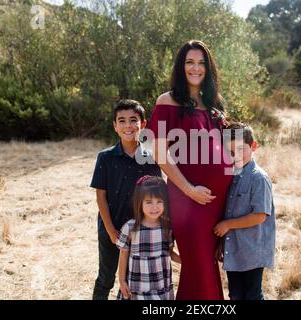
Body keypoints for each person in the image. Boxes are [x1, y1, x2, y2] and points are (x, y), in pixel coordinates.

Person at [147, 39, 233, 300]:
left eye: (201, 63)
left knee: (208, 267)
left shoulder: (214, 103)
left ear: (208, 68)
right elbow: (158, 152)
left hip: (218, 205)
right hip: (189, 201)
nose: (195, 68)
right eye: (189, 62)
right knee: (199, 268)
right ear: (180, 67)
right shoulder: (168, 101)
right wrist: (188, 189)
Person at [90, 99, 161, 300]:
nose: (128, 125)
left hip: (140, 232)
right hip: (110, 228)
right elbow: (100, 196)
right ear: (115, 126)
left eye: (133, 120)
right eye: (121, 121)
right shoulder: (105, 157)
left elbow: (157, 194)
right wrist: (112, 231)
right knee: (106, 277)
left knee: (134, 280)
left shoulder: (151, 158)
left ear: (143, 124)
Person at [214, 122, 276, 300]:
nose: (236, 156)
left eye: (241, 150)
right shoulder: (231, 175)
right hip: (233, 249)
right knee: (235, 294)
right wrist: (221, 244)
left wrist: (227, 225)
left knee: (252, 295)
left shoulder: (259, 178)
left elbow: (260, 215)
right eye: (231, 152)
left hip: (253, 250)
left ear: (254, 146)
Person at [116, 176, 181, 300]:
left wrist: (188, 261)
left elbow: (170, 253)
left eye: (159, 202)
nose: (154, 207)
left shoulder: (167, 227)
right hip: (137, 288)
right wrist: (122, 281)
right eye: (149, 202)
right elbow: (123, 256)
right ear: (140, 202)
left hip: (161, 287)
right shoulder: (130, 227)